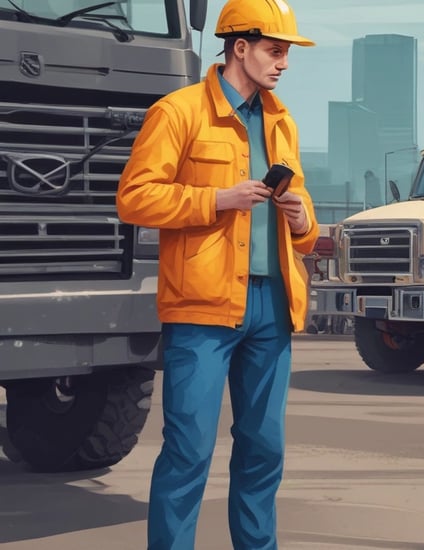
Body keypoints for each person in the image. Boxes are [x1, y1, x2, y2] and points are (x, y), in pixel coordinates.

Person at [116, 0, 318, 548]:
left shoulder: (281, 120)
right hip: (202, 308)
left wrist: (301, 217)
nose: (283, 64)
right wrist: (216, 199)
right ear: (240, 47)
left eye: (287, 53)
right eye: (275, 51)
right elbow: (134, 198)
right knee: (189, 449)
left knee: (264, 449)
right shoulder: (178, 112)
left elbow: (303, 224)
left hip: (273, 306)